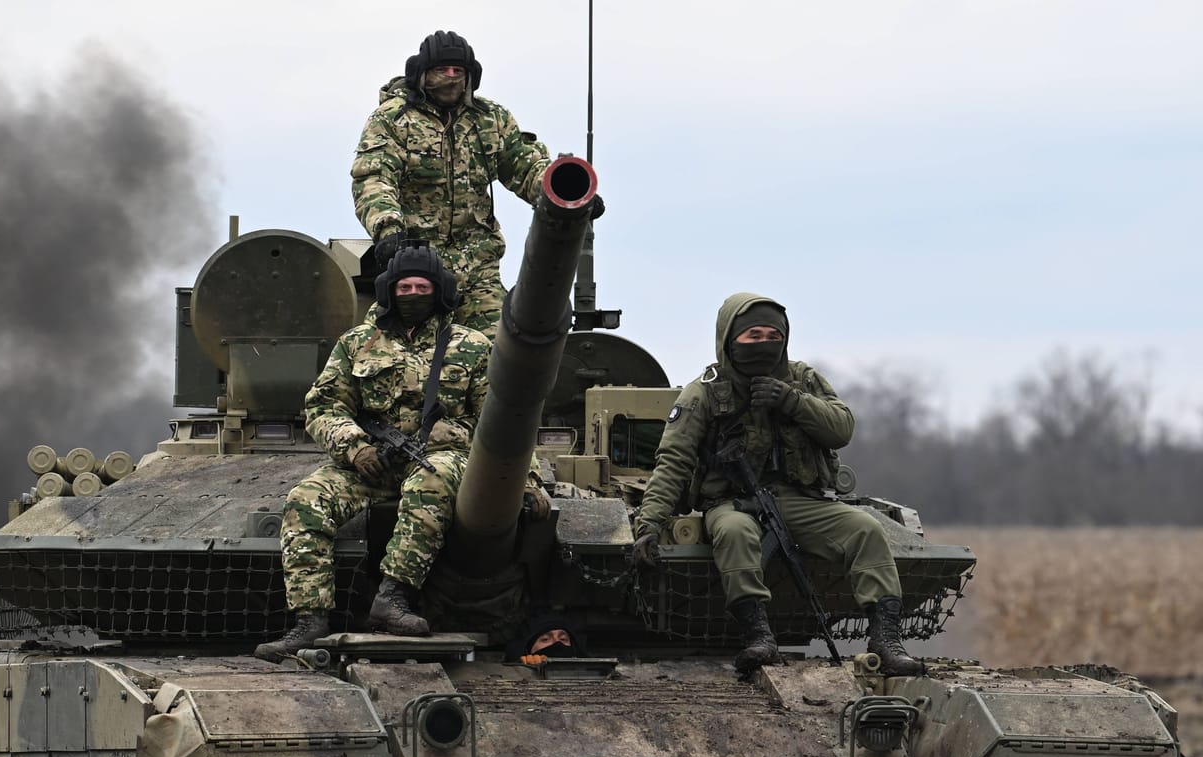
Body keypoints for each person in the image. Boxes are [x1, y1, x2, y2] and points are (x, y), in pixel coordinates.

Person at [258, 245, 537, 660]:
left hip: (444, 459)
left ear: (439, 291)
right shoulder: (357, 344)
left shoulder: (473, 347)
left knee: (433, 480)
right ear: (389, 291)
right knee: (306, 499)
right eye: (404, 286)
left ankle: (393, 597)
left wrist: (526, 480)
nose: (412, 294)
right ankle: (310, 620)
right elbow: (324, 405)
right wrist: (353, 447)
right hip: (372, 463)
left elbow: (503, 421)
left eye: (422, 286)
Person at [628, 293, 922, 676]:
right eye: (752, 335)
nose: (764, 343)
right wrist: (649, 524)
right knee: (734, 534)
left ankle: (886, 640)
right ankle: (759, 636)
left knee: (865, 529)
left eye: (772, 334)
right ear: (730, 339)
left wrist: (791, 401)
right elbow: (674, 462)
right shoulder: (703, 392)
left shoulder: (803, 380)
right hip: (732, 502)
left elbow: (841, 429)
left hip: (801, 500)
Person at [352, 31, 600, 334]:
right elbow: (374, 177)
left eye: (459, 72)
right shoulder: (394, 119)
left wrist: (567, 195)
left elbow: (523, 166)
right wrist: (388, 229)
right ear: (423, 74)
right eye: (443, 70)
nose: (452, 78)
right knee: (389, 350)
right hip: (414, 266)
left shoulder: (489, 120)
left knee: (503, 350)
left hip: (478, 265)